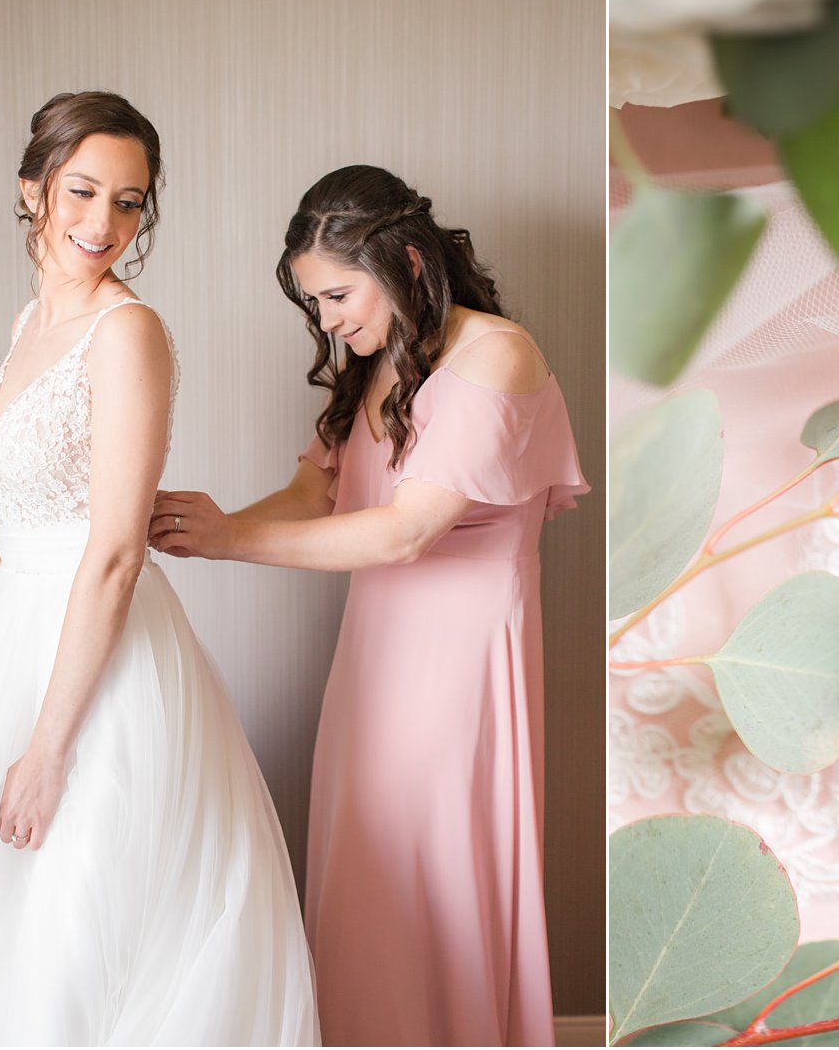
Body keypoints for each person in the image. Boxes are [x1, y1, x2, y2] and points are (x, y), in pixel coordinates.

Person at [0, 91, 318, 1047]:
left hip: (96, 649)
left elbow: (111, 553)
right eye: (82, 191)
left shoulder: (127, 332)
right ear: (33, 191)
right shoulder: (33, 321)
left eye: (131, 201)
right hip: (12, 635)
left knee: (78, 926)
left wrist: (48, 746)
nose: (104, 223)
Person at [153, 165, 586, 1048]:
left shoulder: (496, 352)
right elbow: (311, 496)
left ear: (409, 262)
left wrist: (233, 542)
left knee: (435, 874)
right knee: (367, 872)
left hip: (460, 671)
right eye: (315, 304)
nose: (328, 321)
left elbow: (403, 532)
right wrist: (213, 523)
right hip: (374, 665)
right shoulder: (376, 363)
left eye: (339, 294)